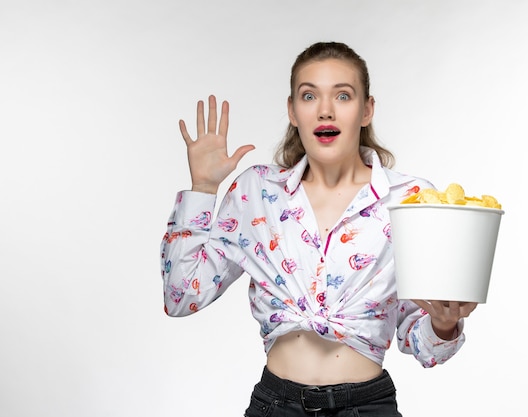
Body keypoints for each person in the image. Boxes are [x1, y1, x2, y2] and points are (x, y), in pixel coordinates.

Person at [160, 41, 478, 416]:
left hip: (367, 407)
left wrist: (444, 323)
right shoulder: (257, 192)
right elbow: (181, 297)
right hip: (277, 406)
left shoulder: (409, 199)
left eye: (343, 96)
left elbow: (421, 345)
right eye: (309, 96)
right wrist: (204, 189)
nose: (325, 110)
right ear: (292, 111)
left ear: (366, 110)